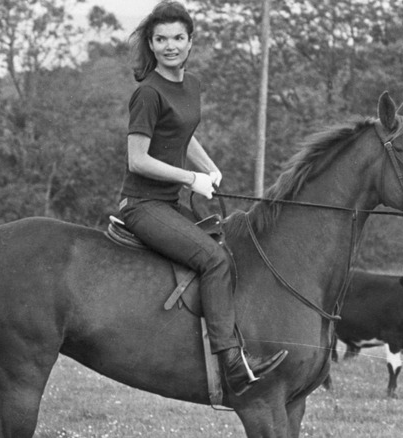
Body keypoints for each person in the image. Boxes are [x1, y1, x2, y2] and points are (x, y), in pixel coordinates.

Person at [118, 1, 287, 395]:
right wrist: (189, 178)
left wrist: (209, 169)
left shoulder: (190, 85)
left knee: (227, 247)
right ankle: (230, 363)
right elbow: (137, 160)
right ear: (151, 43)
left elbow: (183, 132)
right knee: (213, 261)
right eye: (161, 39)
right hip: (143, 205)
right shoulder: (147, 93)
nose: (170, 46)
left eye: (178, 38)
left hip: (169, 200)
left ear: (191, 42)